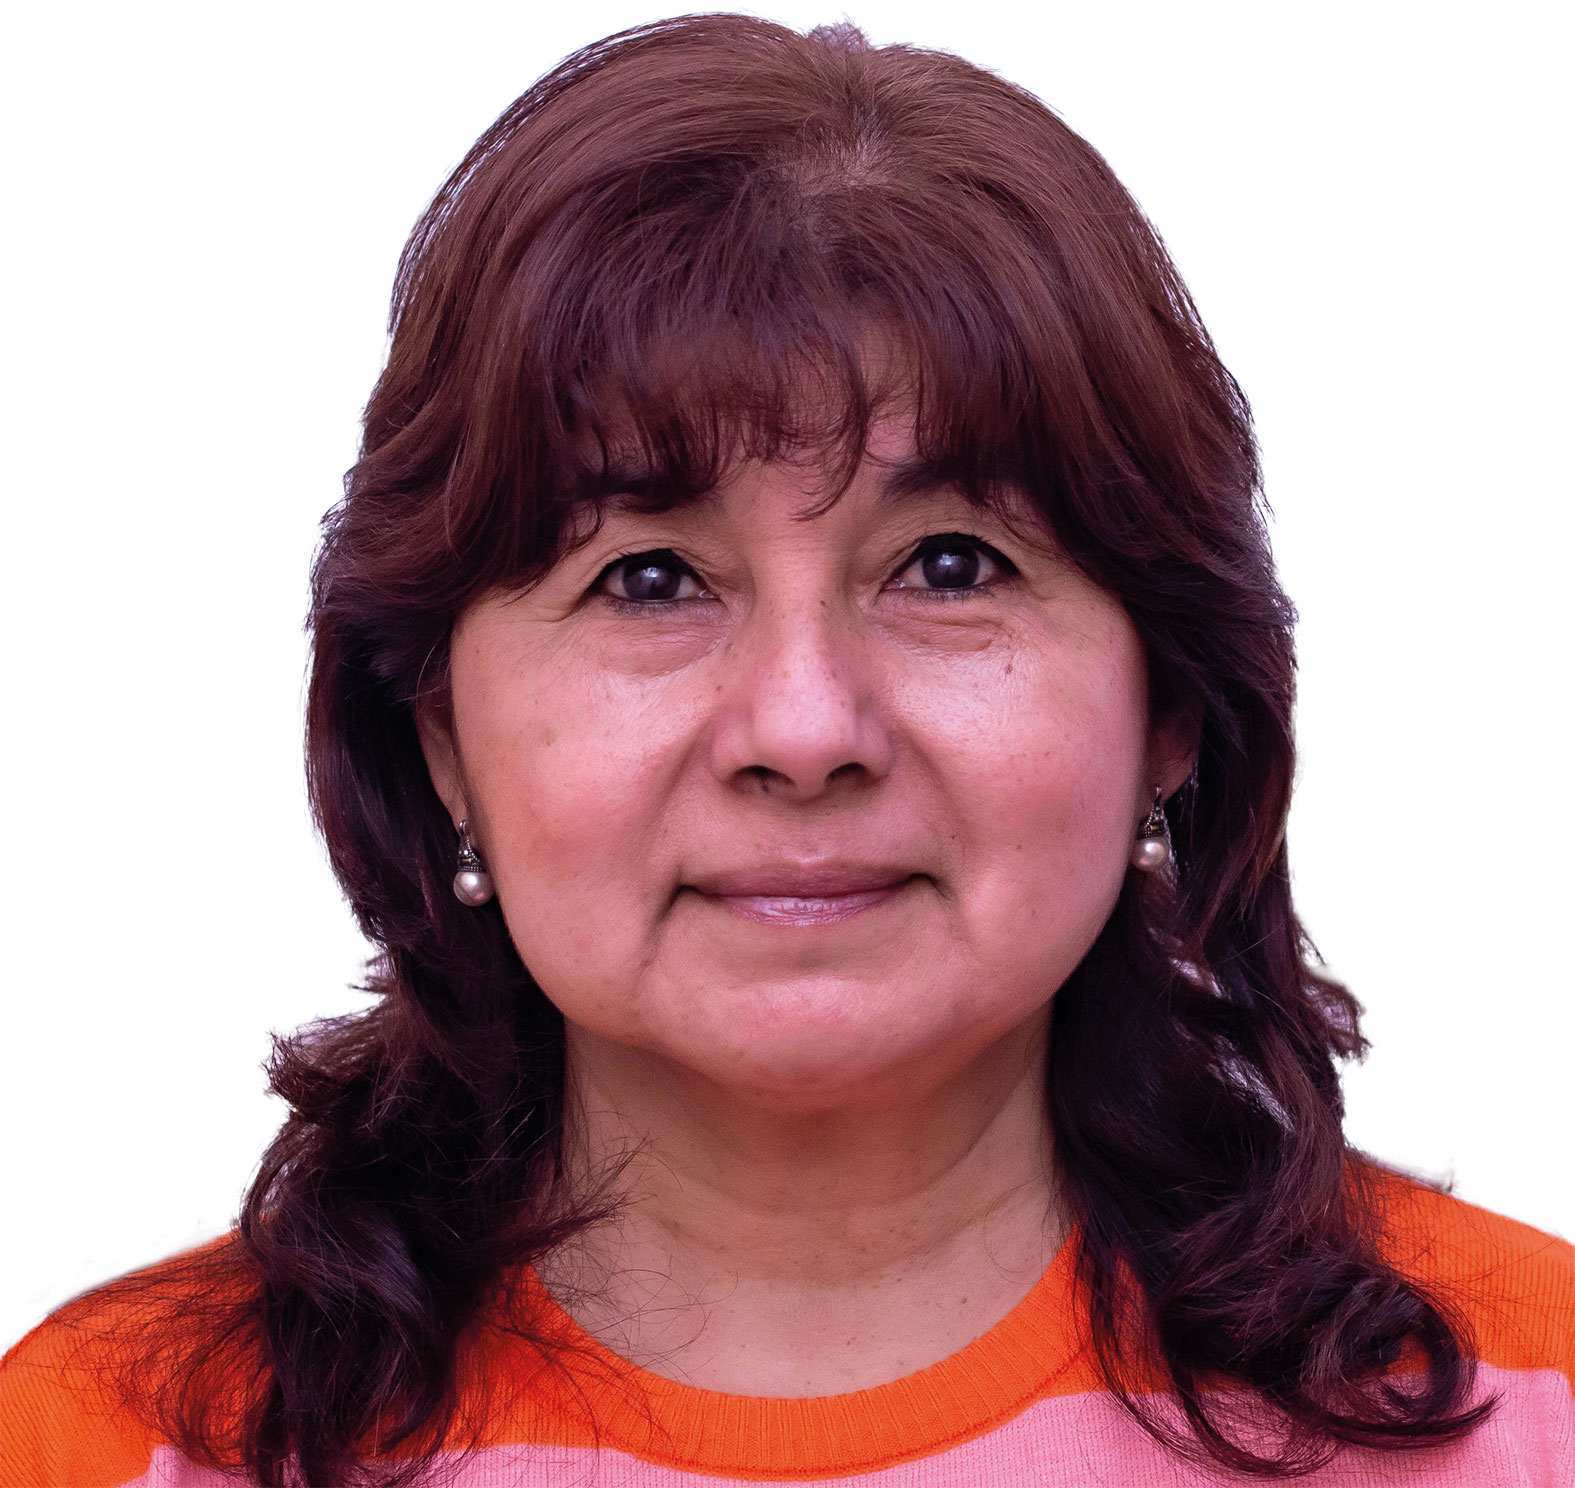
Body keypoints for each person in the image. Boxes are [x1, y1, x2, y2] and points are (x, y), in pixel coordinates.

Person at [3, 12, 1571, 1487]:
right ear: (439, 738)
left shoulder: (1529, 1410)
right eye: (648, 579)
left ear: (1170, 705)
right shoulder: (117, 1444)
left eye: (949, 566)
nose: (807, 730)